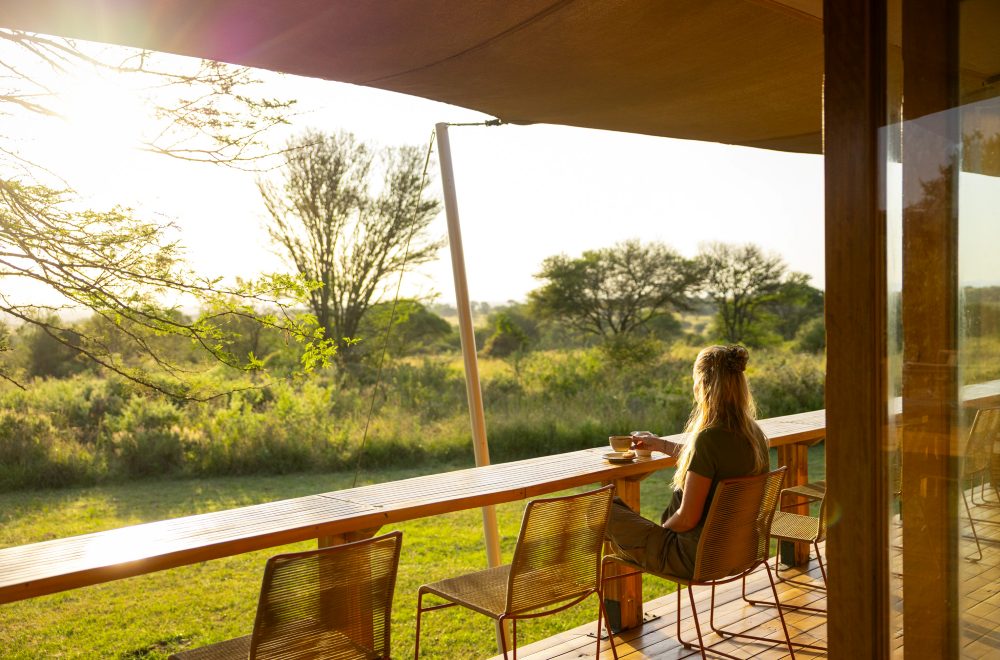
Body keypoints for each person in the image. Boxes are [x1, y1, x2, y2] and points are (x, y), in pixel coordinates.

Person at [605, 344, 770, 578]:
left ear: (703, 385)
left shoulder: (709, 439)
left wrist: (662, 533)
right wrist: (662, 445)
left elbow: (687, 518)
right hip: (738, 553)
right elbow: (710, 460)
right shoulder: (754, 436)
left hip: (693, 558)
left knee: (604, 509)